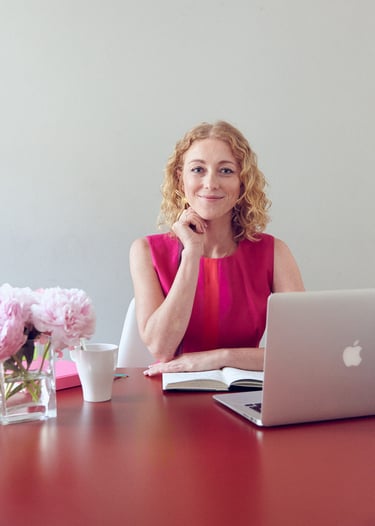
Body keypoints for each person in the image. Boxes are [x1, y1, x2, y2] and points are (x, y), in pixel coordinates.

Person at [130, 120, 304, 376]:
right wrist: (191, 253)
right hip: (171, 398)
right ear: (181, 179)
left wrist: (219, 358)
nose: (211, 183)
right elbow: (161, 348)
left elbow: (299, 350)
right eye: (198, 169)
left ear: (242, 182)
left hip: (246, 394)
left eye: (225, 171)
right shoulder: (145, 251)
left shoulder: (274, 252)